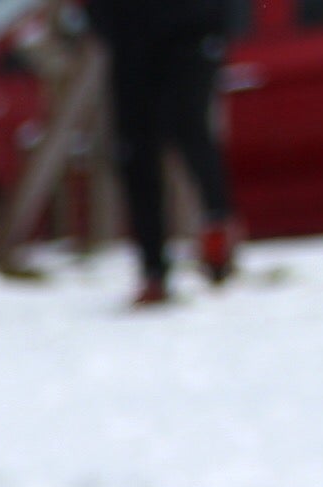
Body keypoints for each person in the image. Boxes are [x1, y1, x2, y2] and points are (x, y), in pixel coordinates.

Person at [86, 0, 241, 307]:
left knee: (188, 129)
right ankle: (153, 269)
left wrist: (213, 26)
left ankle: (217, 224)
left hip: (189, 32)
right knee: (136, 152)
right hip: (131, 37)